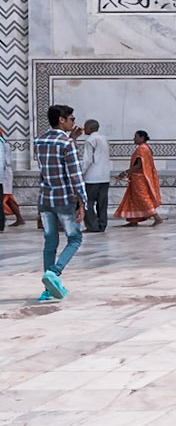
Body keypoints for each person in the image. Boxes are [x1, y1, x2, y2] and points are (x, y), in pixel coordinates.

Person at [33, 102, 85, 300]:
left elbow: (48, 167)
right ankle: (54, 273)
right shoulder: (66, 144)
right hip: (64, 199)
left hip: (45, 199)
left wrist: (72, 138)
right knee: (75, 238)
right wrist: (82, 203)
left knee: (50, 242)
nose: (73, 122)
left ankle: (48, 289)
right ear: (61, 120)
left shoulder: (39, 141)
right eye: (71, 119)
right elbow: (75, 175)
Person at [116, 131, 163, 226]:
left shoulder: (142, 149)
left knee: (142, 198)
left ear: (142, 138)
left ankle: (157, 217)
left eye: (136, 137)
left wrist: (125, 172)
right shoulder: (145, 148)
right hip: (138, 178)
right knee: (133, 198)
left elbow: (138, 165)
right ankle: (133, 220)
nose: (134, 139)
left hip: (140, 178)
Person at [79, 119, 112, 234]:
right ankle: (102, 225)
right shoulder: (104, 139)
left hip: (92, 177)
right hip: (105, 176)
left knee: (88, 202)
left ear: (91, 128)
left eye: (85, 127)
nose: (84, 129)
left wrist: (81, 172)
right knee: (102, 203)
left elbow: (87, 160)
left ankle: (92, 226)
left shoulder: (90, 140)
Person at [0, 122, 21, 228]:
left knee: (7, 198)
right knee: (7, 199)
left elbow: (5, 162)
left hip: (5, 174)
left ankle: (18, 218)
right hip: (5, 173)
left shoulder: (3, 144)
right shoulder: (5, 143)